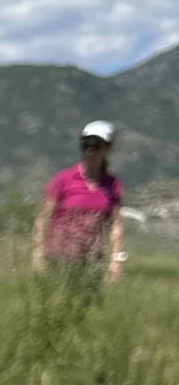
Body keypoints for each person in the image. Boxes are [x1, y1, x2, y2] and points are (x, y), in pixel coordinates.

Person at [33, 121, 124, 288]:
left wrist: (116, 260)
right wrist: (38, 254)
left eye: (96, 146)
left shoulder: (112, 185)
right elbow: (43, 218)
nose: (90, 151)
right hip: (59, 259)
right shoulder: (63, 179)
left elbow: (115, 225)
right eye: (86, 145)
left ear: (107, 149)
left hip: (92, 262)